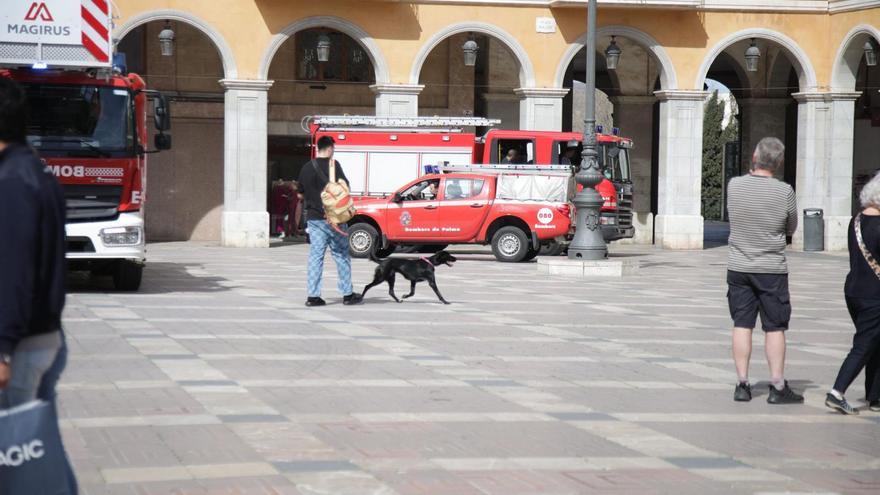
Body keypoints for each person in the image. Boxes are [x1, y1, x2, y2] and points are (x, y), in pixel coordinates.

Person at [0, 77, 78, 492]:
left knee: (21, 459)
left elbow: (13, 271)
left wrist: (3, 349)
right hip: (43, 337)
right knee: (36, 450)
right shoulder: (35, 171)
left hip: (21, 345)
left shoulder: (11, 182)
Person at [726, 137, 803, 404]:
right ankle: (778, 386)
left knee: (742, 324)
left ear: (754, 158)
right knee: (774, 327)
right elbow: (791, 227)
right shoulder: (785, 192)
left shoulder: (734, 186)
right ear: (779, 163)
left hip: (738, 266)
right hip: (771, 269)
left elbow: (733, 215)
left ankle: (742, 384)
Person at [825, 172, 880, 415]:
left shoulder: (855, 221)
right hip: (874, 294)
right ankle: (837, 392)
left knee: (875, 341)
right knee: (864, 344)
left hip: (853, 290)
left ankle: (875, 396)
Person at [297, 136, 363, 306]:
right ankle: (347, 294)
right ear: (330, 148)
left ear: (318, 148)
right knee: (341, 254)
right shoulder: (335, 165)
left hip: (315, 220)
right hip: (336, 220)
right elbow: (345, 187)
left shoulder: (305, 167)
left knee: (315, 257)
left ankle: (313, 296)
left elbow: (300, 193)